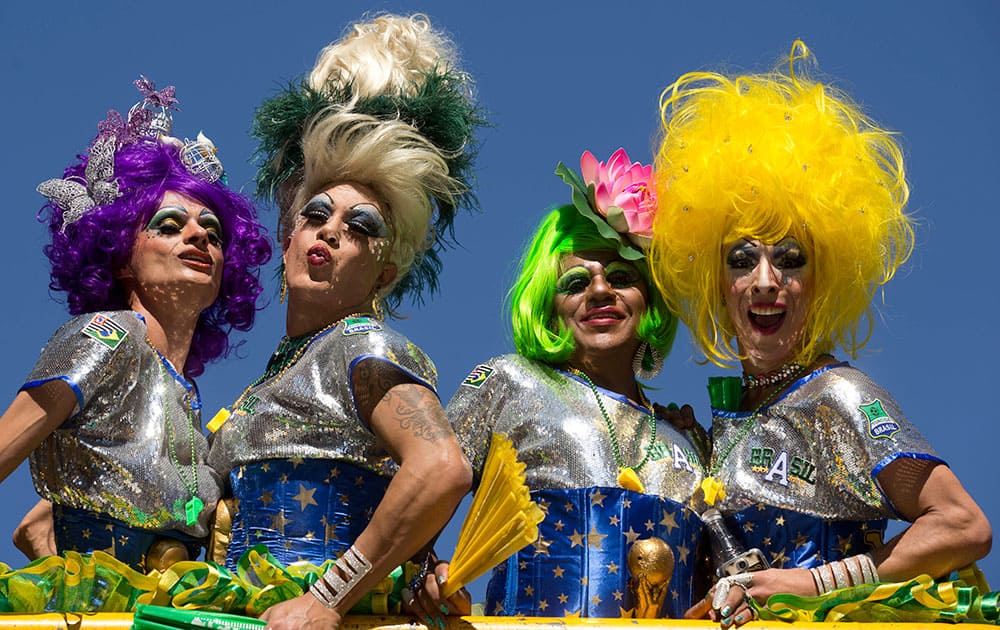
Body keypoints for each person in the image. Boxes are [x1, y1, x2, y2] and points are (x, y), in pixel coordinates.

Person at [649, 41, 992, 627]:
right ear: (715, 282)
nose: (765, 282)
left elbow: (963, 525)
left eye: (790, 259)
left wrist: (815, 584)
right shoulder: (739, 414)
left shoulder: (840, 397)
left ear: (821, 279)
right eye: (741, 260)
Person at [200, 14, 481, 629]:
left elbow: (441, 467)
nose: (332, 228)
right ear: (289, 231)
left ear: (385, 272)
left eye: (362, 226)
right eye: (317, 213)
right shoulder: (259, 391)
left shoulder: (362, 343)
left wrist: (327, 598)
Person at [0, 77, 271, 574]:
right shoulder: (109, 334)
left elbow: (85, 489)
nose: (197, 236)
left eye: (212, 233)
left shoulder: (185, 395)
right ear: (120, 258)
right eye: (169, 226)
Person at [427, 148, 709, 620]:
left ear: (650, 300)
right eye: (577, 282)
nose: (601, 291)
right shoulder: (510, 381)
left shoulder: (690, 440)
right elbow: (416, 489)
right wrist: (425, 570)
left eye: (621, 276)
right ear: (547, 304)